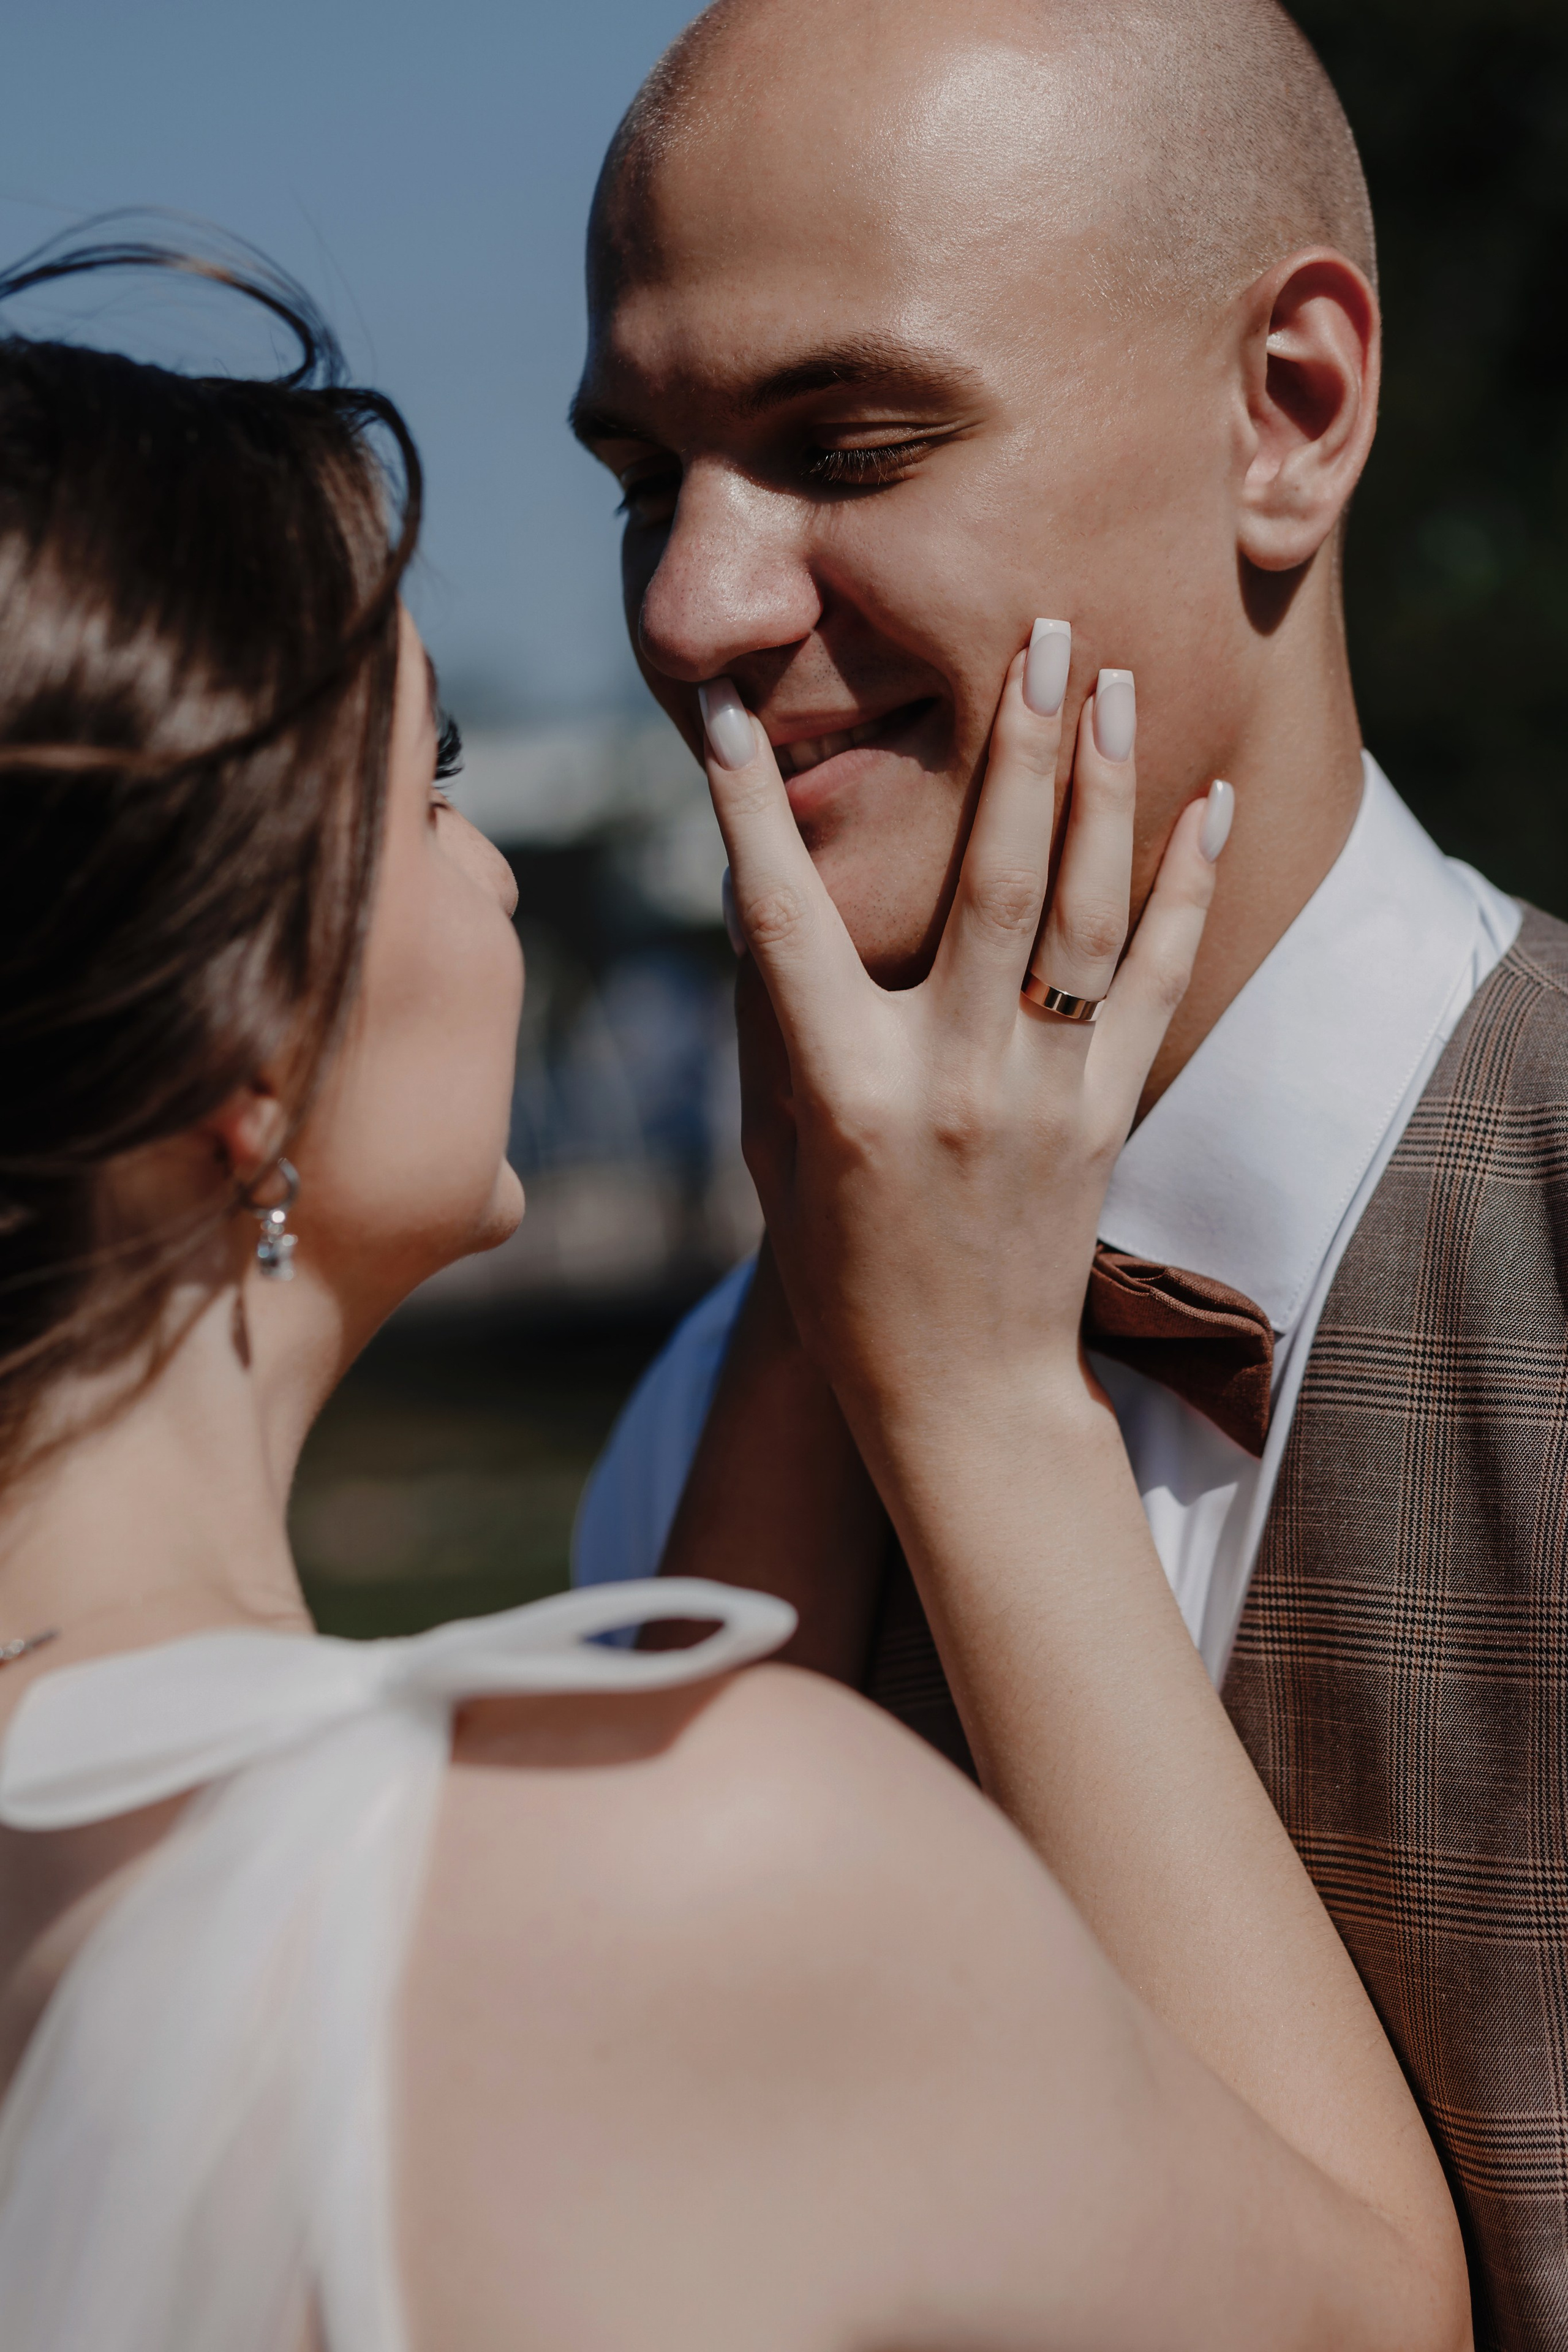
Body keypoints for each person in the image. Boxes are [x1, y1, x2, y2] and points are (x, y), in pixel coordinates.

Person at [0, 238, 1468, 2349]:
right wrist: (968, 1394)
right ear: (233, 1050)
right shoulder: (680, 1874)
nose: (493, 865)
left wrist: (820, 1286)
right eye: (430, 788)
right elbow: (1369, 2310)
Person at [570, 2, 1568, 2342]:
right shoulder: (710, 1429)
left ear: (1291, 413)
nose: (691, 611)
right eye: (643, 475)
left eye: (847, 440)